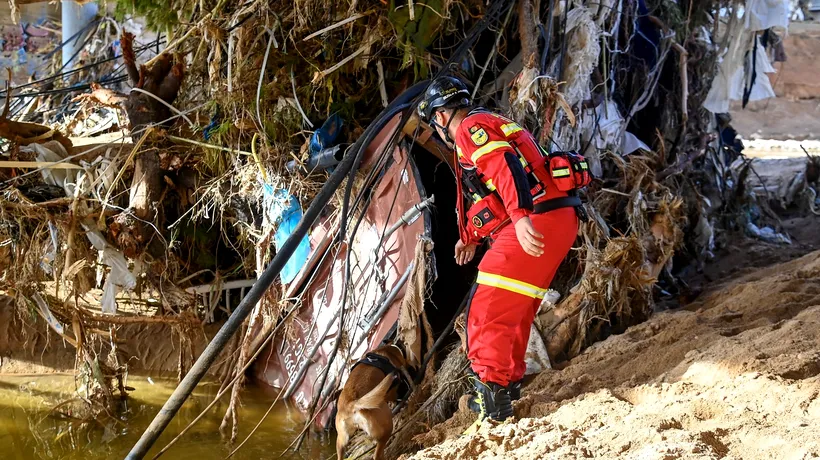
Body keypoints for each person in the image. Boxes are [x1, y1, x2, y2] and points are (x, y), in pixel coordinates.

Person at [417, 76, 586, 423]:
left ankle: (493, 402)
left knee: (486, 310)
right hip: (558, 219)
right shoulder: (490, 122)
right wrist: (472, 238)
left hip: (536, 220)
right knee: (515, 309)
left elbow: (505, 166)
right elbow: (489, 189)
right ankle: (506, 390)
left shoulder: (469, 128)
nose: (438, 129)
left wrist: (522, 217)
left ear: (443, 114)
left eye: (436, 120)